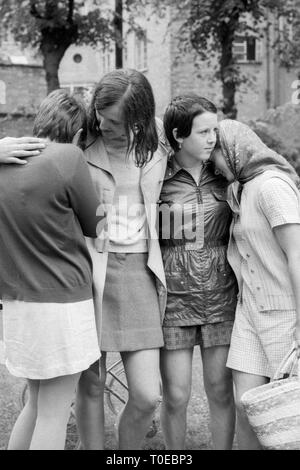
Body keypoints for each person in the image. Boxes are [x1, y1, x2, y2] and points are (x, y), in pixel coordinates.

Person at [0, 90, 102, 450]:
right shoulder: (69, 157)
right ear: (78, 133)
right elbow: (95, 226)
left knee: (36, 405)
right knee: (54, 413)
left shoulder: (4, 164)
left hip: (17, 303)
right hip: (62, 303)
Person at [75, 69, 168, 450]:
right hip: (87, 273)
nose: (102, 124)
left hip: (140, 274)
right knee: (91, 385)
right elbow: (35, 150)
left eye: (114, 121)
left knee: (148, 395)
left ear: (139, 119)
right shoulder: (78, 139)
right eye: (100, 114)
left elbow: (216, 139)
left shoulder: (161, 139)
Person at [211, 119, 300, 449]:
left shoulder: (272, 186)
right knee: (246, 404)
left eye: (215, 157)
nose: (213, 168)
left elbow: (297, 253)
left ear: (233, 149)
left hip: (284, 313)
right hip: (249, 314)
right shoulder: (243, 189)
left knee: (288, 415)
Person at [158, 95, 237, 450]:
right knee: (175, 396)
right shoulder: (156, 176)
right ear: (178, 135)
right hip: (173, 300)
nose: (212, 138)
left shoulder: (225, 171)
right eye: (203, 131)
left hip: (222, 295)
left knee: (220, 391)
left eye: (214, 130)